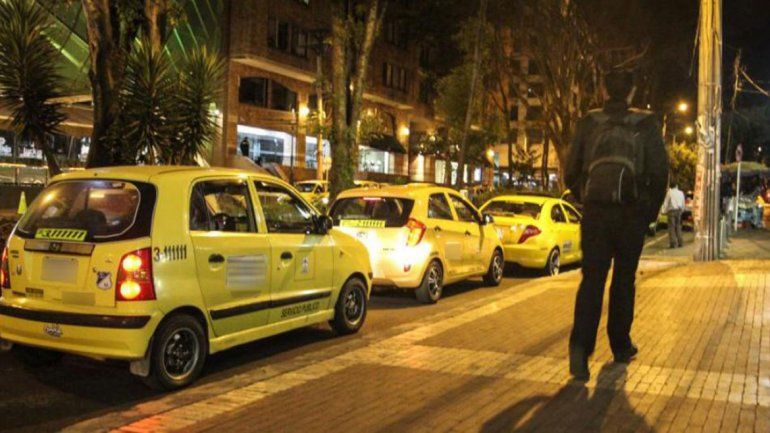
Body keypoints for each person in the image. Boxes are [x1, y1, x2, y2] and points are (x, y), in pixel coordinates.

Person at [564, 70, 669, 381]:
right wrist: (647, 213)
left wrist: (588, 197)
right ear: (632, 92)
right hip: (631, 214)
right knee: (624, 280)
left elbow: (570, 172)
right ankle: (621, 346)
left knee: (591, 281)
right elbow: (660, 173)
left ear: (603, 90)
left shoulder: (589, 122)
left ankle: (579, 352)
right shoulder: (646, 124)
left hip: (595, 214)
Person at [662, 184, 685, 248]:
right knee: (678, 226)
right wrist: (682, 209)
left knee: (671, 227)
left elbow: (666, 203)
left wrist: (663, 211)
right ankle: (680, 242)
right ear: (676, 186)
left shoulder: (669, 193)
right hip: (679, 210)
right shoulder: (681, 193)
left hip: (671, 211)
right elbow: (683, 202)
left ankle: (673, 243)